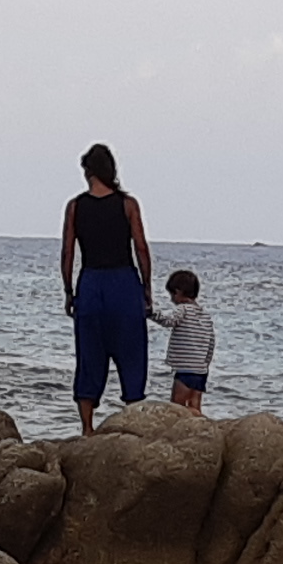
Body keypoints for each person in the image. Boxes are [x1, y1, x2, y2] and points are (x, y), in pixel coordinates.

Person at [57, 143, 153, 430]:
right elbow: (141, 248)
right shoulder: (127, 204)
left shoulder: (75, 207)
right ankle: (133, 418)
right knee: (132, 352)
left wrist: (69, 291)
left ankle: (87, 428)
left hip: (91, 282)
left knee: (89, 355)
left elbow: (68, 252)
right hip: (123, 282)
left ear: (89, 171)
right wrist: (146, 288)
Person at [143, 266, 216, 411]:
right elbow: (211, 343)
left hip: (185, 370)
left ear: (178, 292)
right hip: (201, 371)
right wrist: (205, 363)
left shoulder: (183, 309)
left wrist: (151, 314)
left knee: (177, 406)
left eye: (172, 295)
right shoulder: (205, 315)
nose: (172, 299)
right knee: (194, 406)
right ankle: (201, 423)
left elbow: (169, 321)